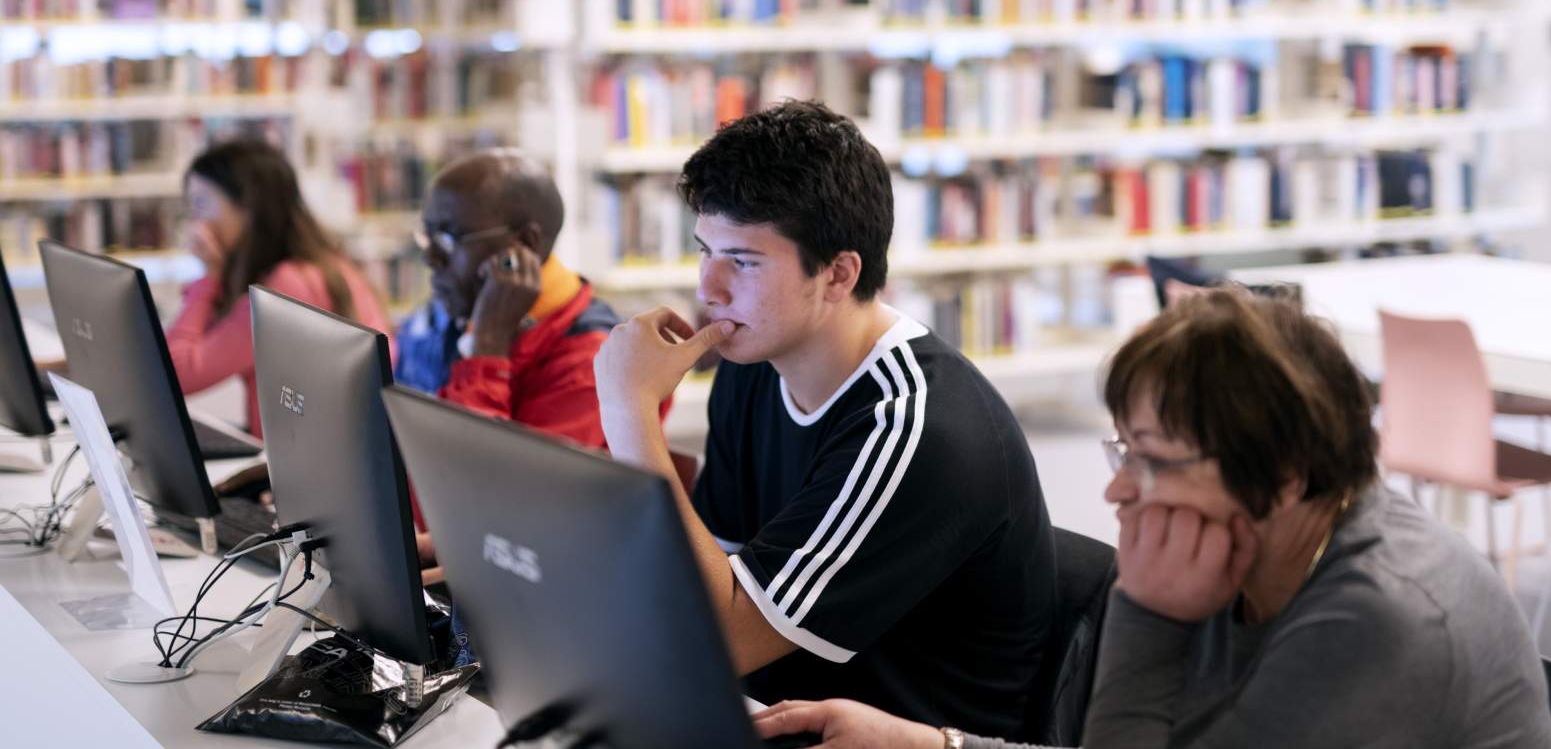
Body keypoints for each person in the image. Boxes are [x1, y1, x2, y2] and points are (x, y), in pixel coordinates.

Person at [753, 286, 1551, 749]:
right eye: (1122, 451)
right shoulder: (1251, 550)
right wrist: (936, 745)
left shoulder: (1376, 622)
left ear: (1282, 474)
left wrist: (1147, 616)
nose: (1116, 493)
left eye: (1154, 460)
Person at [592, 100, 1057, 740]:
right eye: (706, 251)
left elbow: (718, 635)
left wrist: (629, 410)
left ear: (838, 274)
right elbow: (708, 573)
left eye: (743, 261)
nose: (708, 289)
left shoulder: (909, 427)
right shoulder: (753, 364)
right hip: (765, 710)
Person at [393, 148, 620, 447]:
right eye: (428, 236)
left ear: (525, 243)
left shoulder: (591, 364)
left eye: (448, 238)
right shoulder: (456, 307)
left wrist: (487, 347)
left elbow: (473, 469)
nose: (430, 258)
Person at [167, 138, 393, 435]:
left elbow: (173, 374)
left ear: (247, 208)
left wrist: (210, 276)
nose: (195, 223)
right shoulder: (322, 266)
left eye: (200, 205)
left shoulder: (287, 287)